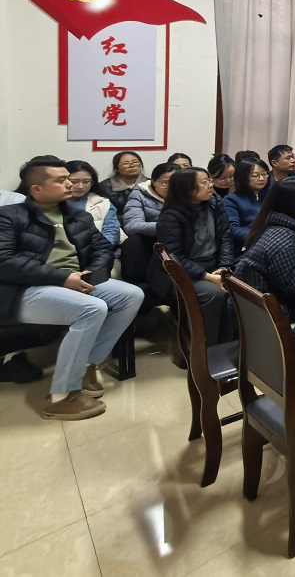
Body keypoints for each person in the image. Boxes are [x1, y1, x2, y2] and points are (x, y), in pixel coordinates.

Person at [0, 156, 144, 420]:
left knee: (132, 295)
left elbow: (102, 248)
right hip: (24, 291)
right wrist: (62, 278)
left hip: (73, 282)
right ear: (37, 189)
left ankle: (87, 364)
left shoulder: (77, 215)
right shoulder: (8, 216)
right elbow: (4, 261)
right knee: (92, 309)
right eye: (61, 180)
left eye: (68, 178)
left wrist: (92, 274)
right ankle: (61, 396)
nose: (70, 184)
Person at [151, 167, 237, 345]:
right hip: (177, 274)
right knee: (214, 293)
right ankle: (205, 348)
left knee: (243, 285)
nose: (210, 185)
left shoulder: (215, 203)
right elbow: (174, 257)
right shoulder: (171, 217)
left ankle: (231, 344)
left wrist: (223, 267)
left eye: (209, 180)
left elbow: (225, 236)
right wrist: (208, 277)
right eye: (204, 182)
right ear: (188, 189)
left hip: (213, 266)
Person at [233, 177, 295, 322]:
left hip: (264, 308)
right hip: (275, 313)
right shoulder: (285, 240)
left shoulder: (274, 225)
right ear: (293, 203)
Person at [120, 162, 180, 286]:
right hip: (152, 238)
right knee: (134, 242)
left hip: (182, 238)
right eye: (165, 183)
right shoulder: (140, 193)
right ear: (154, 182)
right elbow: (132, 224)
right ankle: (139, 285)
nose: (170, 187)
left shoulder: (188, 193)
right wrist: (164, 228)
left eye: (175, 183)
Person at [64, 160, 122, 249]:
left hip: (96, 250)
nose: (80, 186)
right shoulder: (50, 202)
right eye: (74, 181)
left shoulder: (103, 203)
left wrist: (98, 249)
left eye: (86, 181)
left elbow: (111, 231)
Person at [223, 157, 269, 250]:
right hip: (247, 246)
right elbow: (233, 229)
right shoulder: (231, 200)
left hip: (273, 242)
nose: (261, 178)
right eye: (255, 175)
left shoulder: (272, 195)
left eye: (264, 174)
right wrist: (260, 238)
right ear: (243, 177)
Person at [98, 150, 146, 217]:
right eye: (126, 163)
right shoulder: (104, 187)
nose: (132, 165)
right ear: (116, 168)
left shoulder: (151, 184)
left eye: (135, 162)